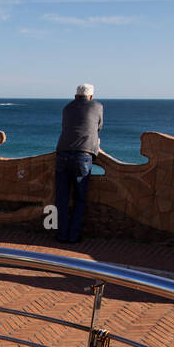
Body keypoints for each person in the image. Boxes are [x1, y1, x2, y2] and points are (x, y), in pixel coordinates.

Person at [53, 84, 103, 244]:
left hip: (62, 153)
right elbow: (98, 127)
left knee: (61, 197)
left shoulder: (67, 108)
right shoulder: (97, 106)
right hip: (83, 155)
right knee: (80, 198)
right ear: (91, 96)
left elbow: (66, 127)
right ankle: (73, 236)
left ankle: (61, 234)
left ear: (75, 96)